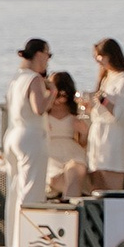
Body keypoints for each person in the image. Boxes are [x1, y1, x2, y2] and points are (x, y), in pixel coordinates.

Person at [1, 40, 54, 247]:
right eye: (48, 55)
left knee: (15, 190)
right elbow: (39, 108)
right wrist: (54, 92)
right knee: (32, 190)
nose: (48, 61)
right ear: (40, 55)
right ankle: (28, 243)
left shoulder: (16, 78)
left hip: (13, 134)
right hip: (31, 136)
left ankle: (14, 242)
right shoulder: (34, 79)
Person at [84, 39, 124, 193]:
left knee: (112, 184)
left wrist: (103, 100)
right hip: (99, 136)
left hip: (114, 137)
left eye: (100, 56)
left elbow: (121, 114)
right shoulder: (106, 78)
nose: (97, 60)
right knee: (98, 183)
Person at [43, 73, 89, 201]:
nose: (60, 99)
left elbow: (83, 143)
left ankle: (69, 206)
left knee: (75, 168)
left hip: (71, 149)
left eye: (64, 94)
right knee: (54, 176)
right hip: (50, 149)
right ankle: (71, 205)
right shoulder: (44, 108)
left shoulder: (76, 111)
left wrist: (84, 133)